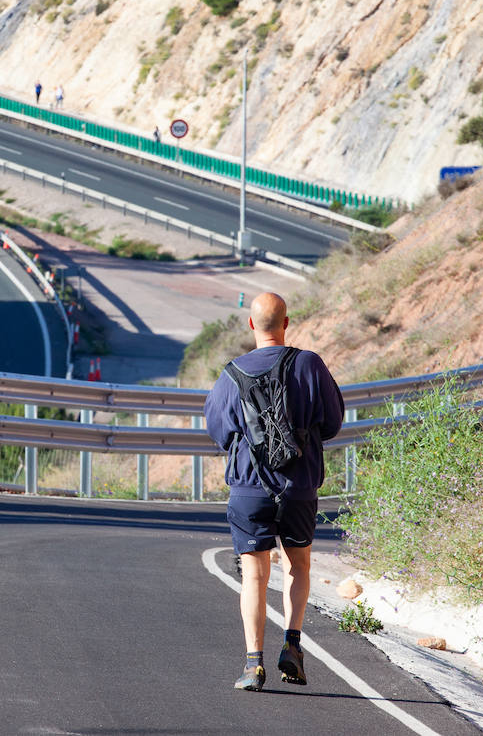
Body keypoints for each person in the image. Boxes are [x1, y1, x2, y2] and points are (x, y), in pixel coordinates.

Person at [203, 292, 343, 692]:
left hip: (250, 488)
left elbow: (218, 432)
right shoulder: (310, 364)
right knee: (298, 566)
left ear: (251, 326)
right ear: (287, 323)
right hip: (298, 487)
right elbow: (332, 423)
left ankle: (253, 664)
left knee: (254, 576)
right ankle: (293, 645)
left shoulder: (231, 374)